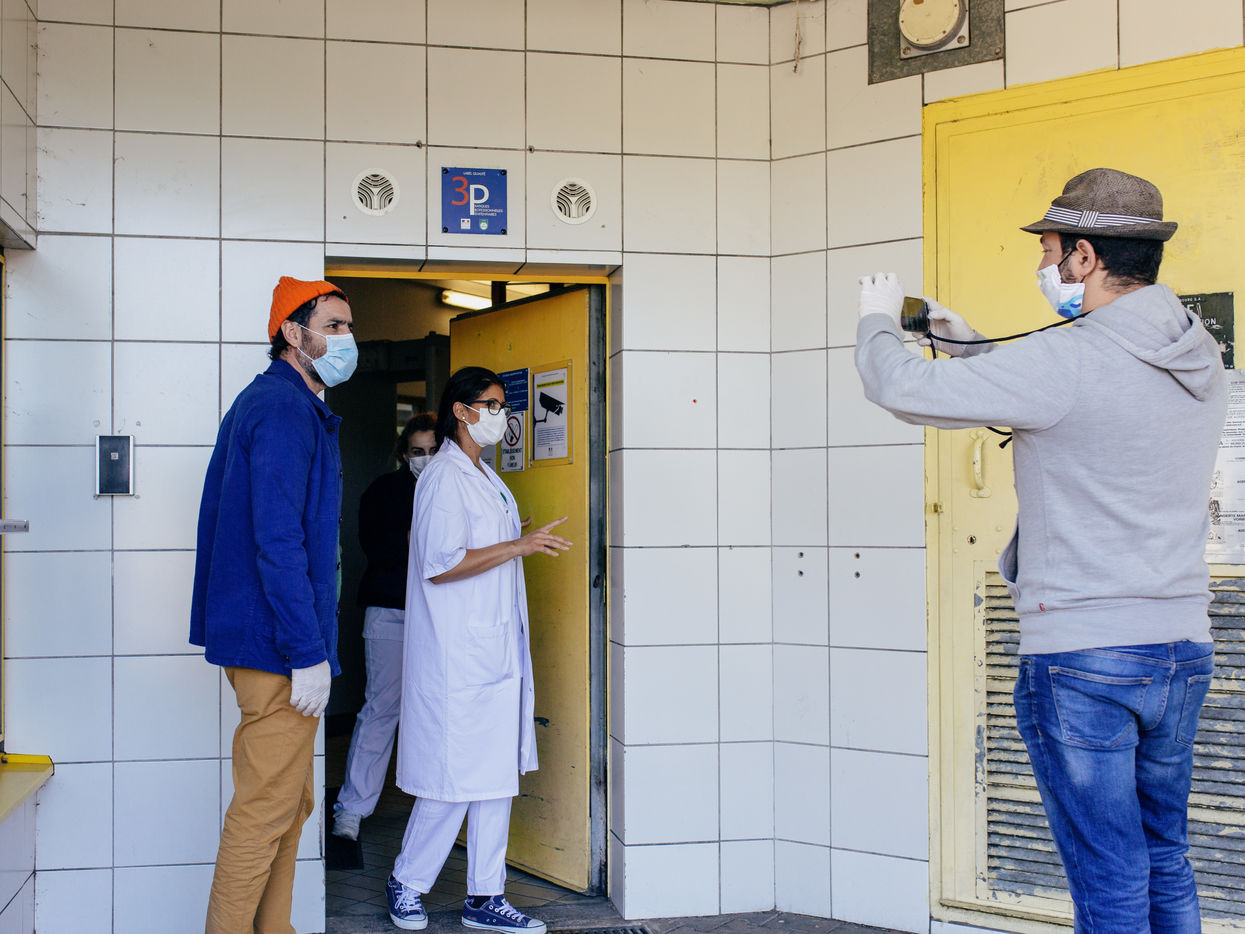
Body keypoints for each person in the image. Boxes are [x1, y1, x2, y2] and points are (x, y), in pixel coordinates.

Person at [854, 168, 1226, 933]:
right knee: (1163, 856)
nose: (1044, 265)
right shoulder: (1197, 355)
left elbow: (898, 388)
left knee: (1108, 873)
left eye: (1049, 250)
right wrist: (971, 348)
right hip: (1181, 648)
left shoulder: (1065, 360)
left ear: (1085, 257)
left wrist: (876, 321)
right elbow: (1089, 402)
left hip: (1085, 657)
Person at [191, 276, 356, 934]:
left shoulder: (284, 404)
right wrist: (307, 650)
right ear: (294, 333)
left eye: (348, 326)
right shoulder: (283, 409)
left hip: (276, 641)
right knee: (264, 812)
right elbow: (277, 539)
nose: (346, 338)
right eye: (334, 326)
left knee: (290, 804)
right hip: (278, 646)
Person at [384, 366, 571, 933]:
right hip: (458, 658)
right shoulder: (444, 476)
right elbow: (440, 565)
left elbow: (476, 545)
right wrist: (518, 545)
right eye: (489, 405)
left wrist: (513, 538)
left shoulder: (483, 474)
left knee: (494, 779)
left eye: (501, 405)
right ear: (460, 412)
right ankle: (406, 881)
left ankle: (486, 896)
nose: (500, 414)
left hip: (490, 654)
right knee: (453, 779)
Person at [332, 413, 439, 841]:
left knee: (438, 710)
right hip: (392, 610)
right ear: (404, 454)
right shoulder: (383, 491)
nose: (425, 458)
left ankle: (436, 808)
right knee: (381, 709)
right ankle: (351, 809)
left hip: (442, 615)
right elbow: (379, 548)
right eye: (417, 451)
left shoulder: (459, 486)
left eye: (433, 450)